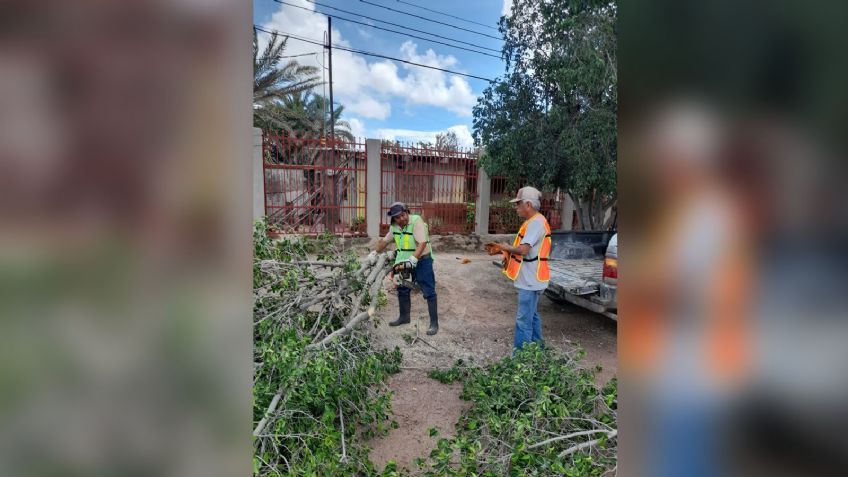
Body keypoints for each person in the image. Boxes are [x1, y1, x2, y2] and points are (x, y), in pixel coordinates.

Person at [369, 202, 439, 335]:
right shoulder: (394, 227)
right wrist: (374, 253)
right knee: (402, 288)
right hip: (404, 262)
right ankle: (404, 317)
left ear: (407, 212)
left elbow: (422, 243)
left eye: (403, 215)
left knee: (429, 291)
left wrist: (413, 259)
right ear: (394, 219)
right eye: (398, 217)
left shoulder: (416, 221)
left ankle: (434, 324)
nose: (402, 218)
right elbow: (385, 241)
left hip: (422, 261)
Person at [496, 187, 552, 350]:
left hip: (530, 281)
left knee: (523, 321)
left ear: (528, 204)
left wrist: (505, 247)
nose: (516, 207)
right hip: (532, 280)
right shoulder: (535, 221)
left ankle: (520, 361)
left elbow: (523, 250)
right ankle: (537, 352)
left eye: (518, 204)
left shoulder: (536, 223)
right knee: (532, 317)